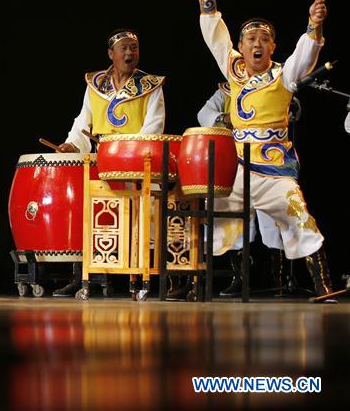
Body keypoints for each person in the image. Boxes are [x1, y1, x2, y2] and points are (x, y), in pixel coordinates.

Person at [196, 0, 335, 300]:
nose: (256, 44)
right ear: (241, 47)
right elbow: (217, 40)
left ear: (273, 46)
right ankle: (198, 284)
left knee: (299, 214)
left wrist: (314, 26)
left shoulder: (283, 76)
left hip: (274, 172)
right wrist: (208, 1)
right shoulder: (235, 71)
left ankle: (323, 285)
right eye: (250, 40)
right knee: (211, 214)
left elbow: (305, 57)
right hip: (238, 168)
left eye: (263, 40)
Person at [55, 29, 166, 298]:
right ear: (111, 54)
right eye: (124, 48)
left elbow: (154, 126)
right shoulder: (95, 85)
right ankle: (82, 275)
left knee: (139, 219)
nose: (130, 53)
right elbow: (83, 122)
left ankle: (138, 277)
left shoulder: (150, 85)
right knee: (86, 215)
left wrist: (127, 150)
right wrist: (71, 144)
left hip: (136, 162)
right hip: (100, 162)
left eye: (134, 48)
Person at [192, 82, 287, 299]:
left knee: (272, 218)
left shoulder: (271, 85)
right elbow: (203, 114)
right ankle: (240, 277)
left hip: (266, 160)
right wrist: (227, 119)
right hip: (235, 161)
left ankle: (276, 279)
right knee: (231, 220)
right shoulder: (227, 90)